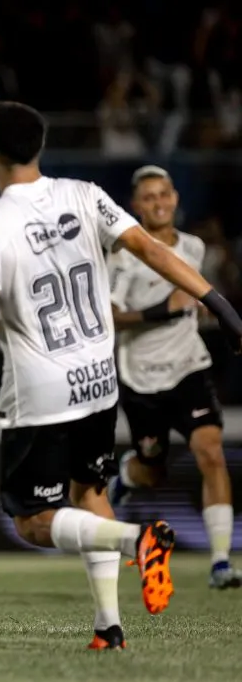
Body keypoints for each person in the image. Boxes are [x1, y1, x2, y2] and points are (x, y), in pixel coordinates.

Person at [0, 102, 242, 650]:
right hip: (98, 382)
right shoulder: (85, 195)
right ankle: (108, 626)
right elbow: (149, 248)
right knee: (90, 493)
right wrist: (219, 303)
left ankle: (138, 539)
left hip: (41, 393)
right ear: (40, 146)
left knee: (33, 521)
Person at [106, 165, 241, 590]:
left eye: (164, 194)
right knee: (152, 471)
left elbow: (196, 299)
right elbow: (109, 317)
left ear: (176, 198)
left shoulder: (193, 248)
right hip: (141, 377)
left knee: (211, 452)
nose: (158, 203)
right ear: (135, 206)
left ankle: (221, 562)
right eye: (149, 197)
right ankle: (128, 476)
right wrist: (163, 311)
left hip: (188, 368)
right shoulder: (120, 256)